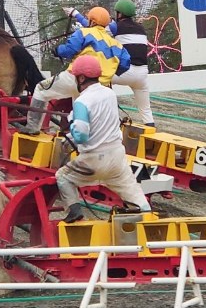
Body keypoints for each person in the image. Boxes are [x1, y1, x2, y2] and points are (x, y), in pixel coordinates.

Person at [56, 55, 151, 223]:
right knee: (134, 193)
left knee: (63, 176)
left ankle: (74, 211)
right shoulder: (109, 94)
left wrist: (71, 126)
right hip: (117, 157)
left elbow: (81, 134)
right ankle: (147, 216)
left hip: (93, 159)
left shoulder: (82, 101)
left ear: (82, 78)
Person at [19, 6, 130, 135]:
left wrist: (57, 50)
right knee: (79, 104)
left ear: (92, 21)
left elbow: (69, 50)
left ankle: (32, 127)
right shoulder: (117, 44)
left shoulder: (84, 32)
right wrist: (108, 71)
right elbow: (125, 64)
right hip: (100, 87)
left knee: (40, 89)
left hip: (75, 79)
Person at [67, 0, 154, 127]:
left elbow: (91, 27)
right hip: (142, 75)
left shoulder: (116, 27)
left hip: (125, 73)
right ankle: (151, 133)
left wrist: (75, 14)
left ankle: (83, 117)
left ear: (119, 14)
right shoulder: (141, 29)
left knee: (93, 80)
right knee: (146, 110)